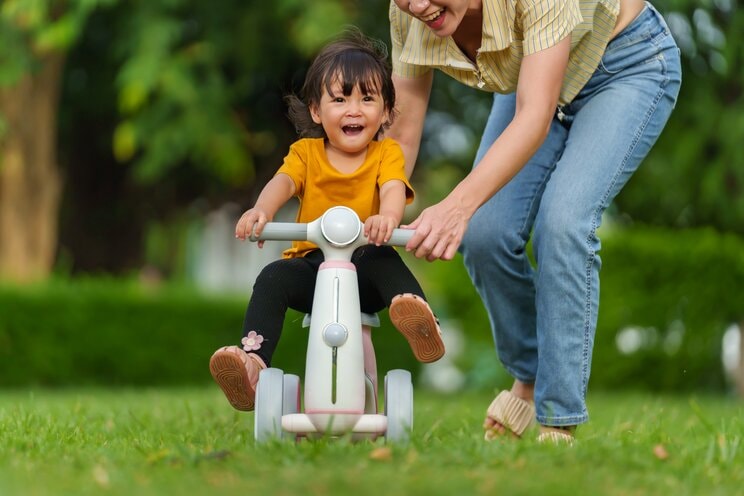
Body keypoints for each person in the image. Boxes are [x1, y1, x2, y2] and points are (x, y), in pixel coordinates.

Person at [386, 0, 681, 442]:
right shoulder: (407, 14)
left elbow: (534, 117)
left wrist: (455, 205)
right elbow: (401, 132)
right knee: (484, 233)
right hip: (537, 73)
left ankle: (557, 420)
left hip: (626, 63)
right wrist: (375, 215)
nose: (420, 6)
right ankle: (529, 376)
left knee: (563, 225)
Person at [209, 30, 445, 412]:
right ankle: (253, 363)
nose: (354, 109)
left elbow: (393, 189)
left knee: (380, 258)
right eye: (340, 99)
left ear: (386, 112)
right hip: (315, 269)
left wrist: (387, 218)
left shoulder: (386, 153)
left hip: (365, 268)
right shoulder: (305, 153)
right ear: (317, 111)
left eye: (367, 99)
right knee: (273, 277)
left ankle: (414, 314)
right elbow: (282, 182)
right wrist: (261, 211)